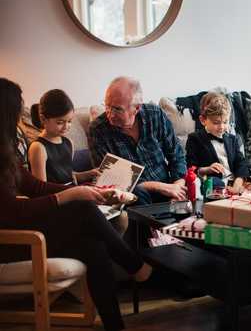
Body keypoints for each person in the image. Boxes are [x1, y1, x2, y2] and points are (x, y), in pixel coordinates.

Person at [0, 77, 153, 331]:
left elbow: (35, 188)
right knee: (82, 208)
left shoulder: (6, 153)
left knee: (93, 246)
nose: (20, 121)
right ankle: (135, 264)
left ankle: (115, 326)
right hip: (11, 241)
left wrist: (82, 190)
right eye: (17, 113)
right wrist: (69, 196)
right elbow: (13, 212)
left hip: (25, 230)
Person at [89, 76, 187, 204]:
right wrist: (162, 187)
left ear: (137, 108)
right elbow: (109, 181)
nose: (110, 114)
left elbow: (177, 155)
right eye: (107, 106)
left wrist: (177, 187)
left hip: (169, 187)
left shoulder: (155, 115)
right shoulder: (98, 130)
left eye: (117, 109)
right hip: (133, 194)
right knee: (138, 194)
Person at [28, 89, 99, 184]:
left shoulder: (68, 142)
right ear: (43, 119)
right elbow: (41, 189)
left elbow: (68, 176)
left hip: (72, 191)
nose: (66, 127)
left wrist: (90, 174)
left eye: (69, 121)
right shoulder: (38, 148)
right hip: (55, 196)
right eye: (60, 122)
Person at [186, 92, 249, 194]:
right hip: (213, 181)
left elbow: (240, 163)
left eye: (225, 122)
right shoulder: (195, 138)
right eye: (216, 123)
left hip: (233, 180)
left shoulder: (232, 139)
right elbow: (190, 167)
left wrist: (238, 182)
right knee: (216, 185)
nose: (221, 127)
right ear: (203, 120)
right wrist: (207, 169)